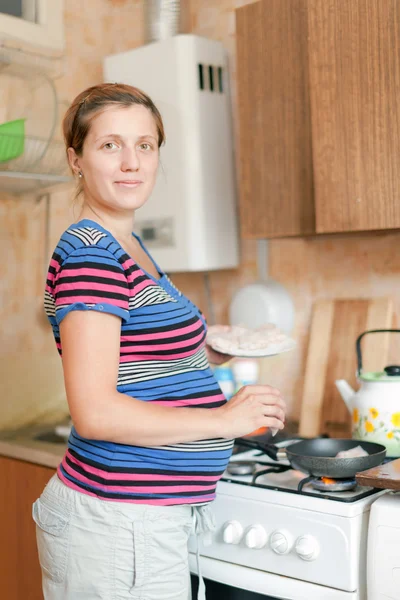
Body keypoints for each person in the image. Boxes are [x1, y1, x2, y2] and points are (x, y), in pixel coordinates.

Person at [33, 83, 286, 600]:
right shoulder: (91, 256)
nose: (132, 162)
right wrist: (223, 420)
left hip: (140, 523)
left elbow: (137, 353)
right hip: (116, 526)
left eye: (145, 145)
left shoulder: (127, 244)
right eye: (110, 145)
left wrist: (206, 349)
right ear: (76, 159)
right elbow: (96, 412)